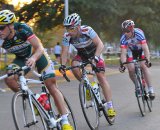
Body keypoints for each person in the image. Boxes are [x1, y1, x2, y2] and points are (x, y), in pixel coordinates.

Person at [0, 10, 73, 130]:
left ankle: (65, 121)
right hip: (21, 59)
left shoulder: (22, 29)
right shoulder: (1, 38)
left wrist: (34, 58)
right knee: (10, 79)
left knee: (51, 85)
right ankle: (35, 101)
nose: (0, 31)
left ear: (11, 26)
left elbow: (39, 47)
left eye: (2, 28)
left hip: (38, 55)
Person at [59, 13, 116, 118]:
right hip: (82, 55)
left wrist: (96, 57)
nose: (69, 31)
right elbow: (64, 52)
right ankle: (86, 86)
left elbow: (100, 44)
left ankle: (110, 106)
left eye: (71, 29)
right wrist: (62, 65)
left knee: (101, 77)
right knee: (74, 66)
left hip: (95, 53)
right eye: (67, 29)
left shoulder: (87, 30)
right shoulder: (67, 36)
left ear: (78, 26)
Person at [119, 19, 155, 100]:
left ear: (131, 30)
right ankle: (137, 86)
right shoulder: (123, 38)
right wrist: (122, 64)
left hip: (141, 50)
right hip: (131, 51)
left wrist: (148, 60)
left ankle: (150, 89)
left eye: (127, 31)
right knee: (131, 69)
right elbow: (123, 53)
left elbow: (145, 49)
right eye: (124, 31)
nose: (125, 33)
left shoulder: (139, 33)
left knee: (143, 66)